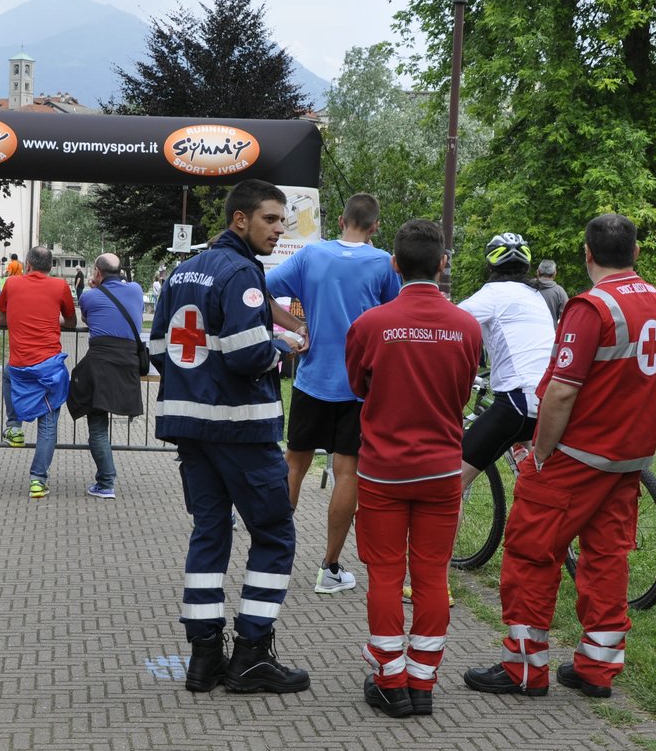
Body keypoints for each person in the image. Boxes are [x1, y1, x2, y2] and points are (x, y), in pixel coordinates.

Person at [465, 212, 656, 699]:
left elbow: (561, 392)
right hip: (628, 459)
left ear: (587, 254)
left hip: (577, 455)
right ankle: (596, 669)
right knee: (607, 558)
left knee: (529, 552)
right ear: (637, 253)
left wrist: (541, 453)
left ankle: (523, 668)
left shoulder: (591, 307)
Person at [150, 179, 310, 695]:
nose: (279, 229)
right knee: (275, 534)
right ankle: (251, 654)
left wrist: (197, 381)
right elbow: (245, 353)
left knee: (209, 535)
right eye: (271, 219)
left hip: (189, 429)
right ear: (239, 220)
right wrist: (282, 346)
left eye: (283, 220)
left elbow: (158, 349)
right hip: (240, 430)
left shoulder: (181, 270)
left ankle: (203, 658)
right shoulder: (242, 272)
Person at [345, 219, 483, 718]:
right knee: (431, 573)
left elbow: (359, 385)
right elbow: (463, 391)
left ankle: (390, 678)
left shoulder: (370, 324)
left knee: (385, 574)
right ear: (443, 263)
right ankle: (423, 680)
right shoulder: (467, 326)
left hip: (383, 470)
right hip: (442, 469)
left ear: (394, 264)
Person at [263, 192, 401, 594]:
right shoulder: (383, 263)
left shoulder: (311, 255)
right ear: (375, 226)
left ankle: (275, 562)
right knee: (347, 473)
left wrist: (296, 326)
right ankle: (330, 568)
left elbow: (259, 288)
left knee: (293, 465)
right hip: (359, 387)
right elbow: (392, 318)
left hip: (311, 381)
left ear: (341, 220)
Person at [457, 233, 555, 491]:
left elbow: (448, 323)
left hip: (516, 402)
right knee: (539, 483)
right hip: (550, 401)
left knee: (451, 482)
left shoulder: (492, 294)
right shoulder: (537, 297)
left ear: (490, 266)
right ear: (527, 267)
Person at [0, 246, 76, 498]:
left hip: (20, 366)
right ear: (50, 267)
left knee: (7, 374)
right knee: (48, 425)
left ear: (27, 263)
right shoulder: (60, 286)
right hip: (50, 367)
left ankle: (14, 428)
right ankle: (38, 480)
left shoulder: (11, 284)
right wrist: (54, 319)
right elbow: (72, 322)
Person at [67, 253, 145, 499]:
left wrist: (93, 288)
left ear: (98, 273)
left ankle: (106, 482)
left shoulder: (90, 295)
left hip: (100, 364)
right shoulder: (135, 289)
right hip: (129, 362)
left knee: (98, 426)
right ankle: (105, 483)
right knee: (100, 423)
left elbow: (86, 318)